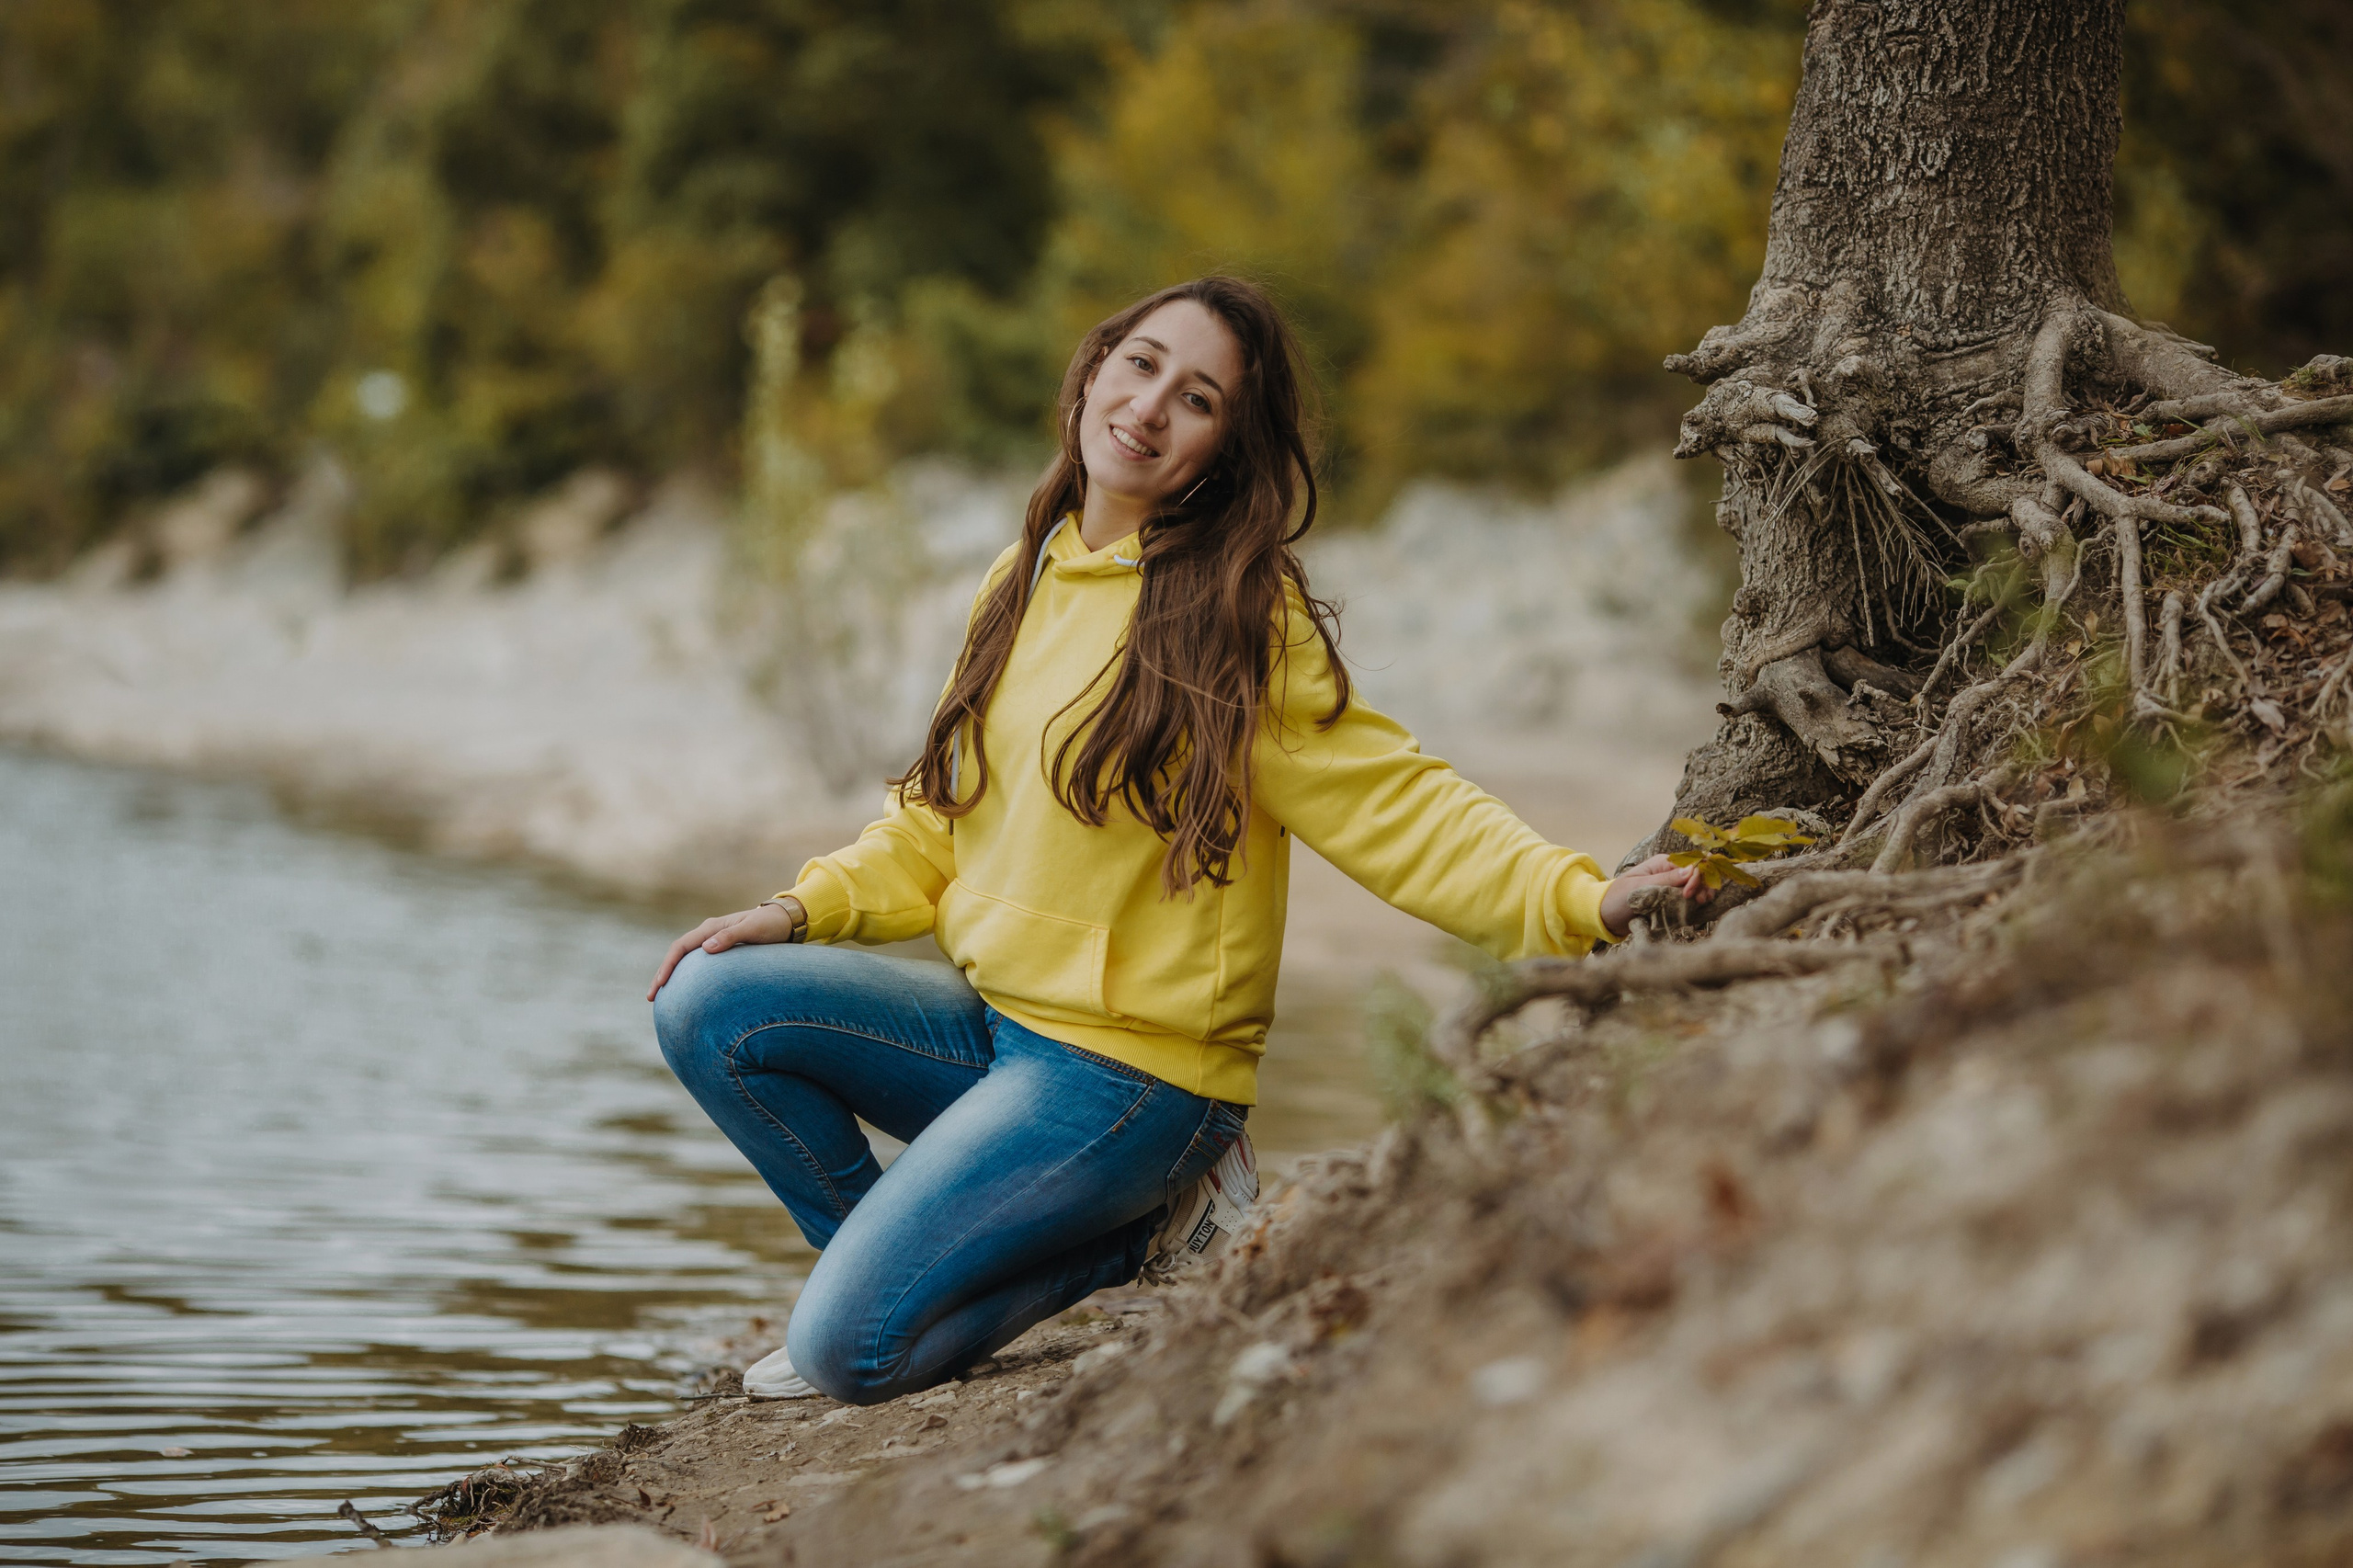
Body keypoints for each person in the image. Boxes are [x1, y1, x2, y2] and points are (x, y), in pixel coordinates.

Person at [647, 276, 1705, 1406]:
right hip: (999, 1028)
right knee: (710, 1000)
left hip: (1133, 1077)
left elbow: (1394, 803)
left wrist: (1578, 898)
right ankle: (890, 1281)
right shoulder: (1023, 576)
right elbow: (938, 822)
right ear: (1095, 370)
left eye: (1196, 398)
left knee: (848, 1354)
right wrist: (800, 909)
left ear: (1220, 451)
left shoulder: (1235, 616)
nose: (1151, 408)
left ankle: (1138, 1230)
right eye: (1142, 365)